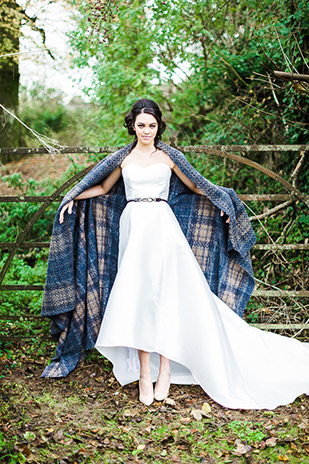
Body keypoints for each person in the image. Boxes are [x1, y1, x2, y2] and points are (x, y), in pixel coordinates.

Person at [42, 99, 309, 409]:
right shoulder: (123, 159)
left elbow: (196, 187)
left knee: (165, 294)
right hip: (133, 226)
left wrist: (222, 202)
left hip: (162, 226)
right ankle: (144, 370)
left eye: (151, 125)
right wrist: (73, 197)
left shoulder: (169, 157)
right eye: (141, 125)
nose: (146, 130)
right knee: (139, 296)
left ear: (158, 127)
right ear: (133, 126)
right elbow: (102, 188)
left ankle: (165, 367)